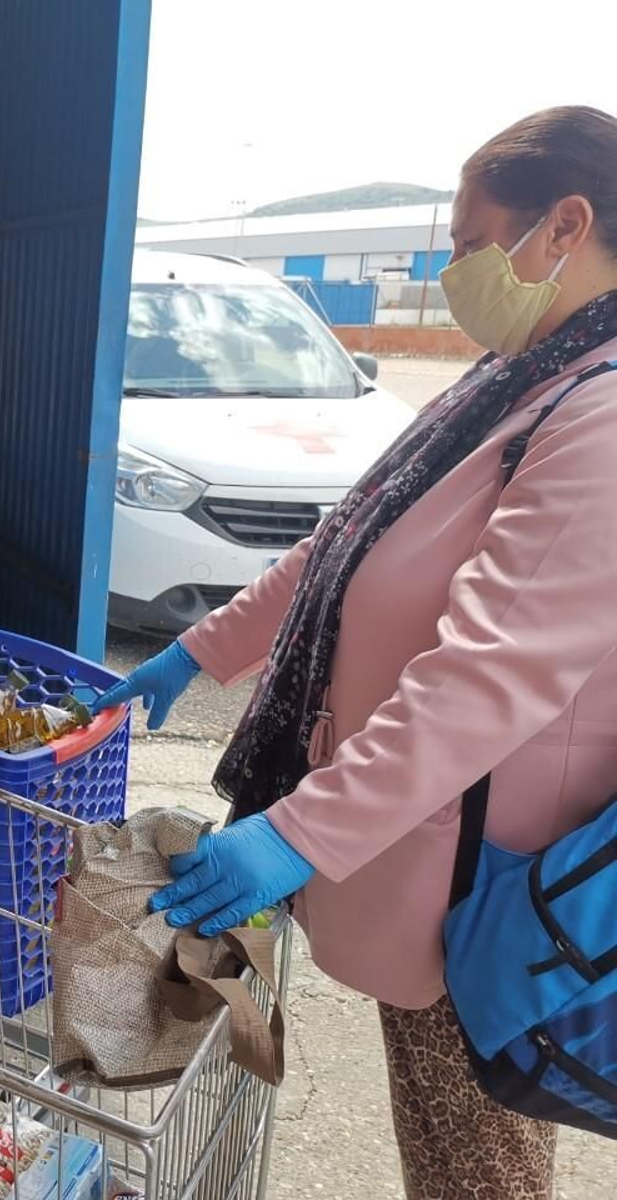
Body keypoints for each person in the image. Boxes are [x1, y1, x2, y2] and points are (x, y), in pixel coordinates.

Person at [101, 105, 617, 1200]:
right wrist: (196, 652)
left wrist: (299, 832)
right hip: (412, 842)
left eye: (477, 242)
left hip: (484, 886)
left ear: (565, 224)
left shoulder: (601, 417)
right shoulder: (515, 379)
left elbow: (490, 672)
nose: (456, 267)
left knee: (473, 1166)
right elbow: (348, 543)